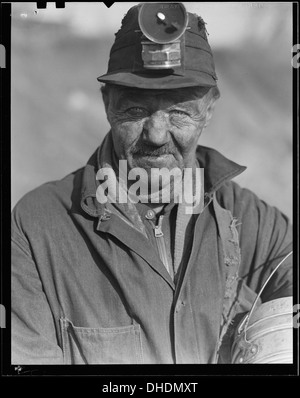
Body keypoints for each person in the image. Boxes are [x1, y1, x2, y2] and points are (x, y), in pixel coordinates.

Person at [11, 2, 292, 365]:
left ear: (209, 109)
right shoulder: (37, 230)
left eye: (179, 111)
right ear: (107, 104)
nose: (157, 135)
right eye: (136, 110)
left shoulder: (251, 222)